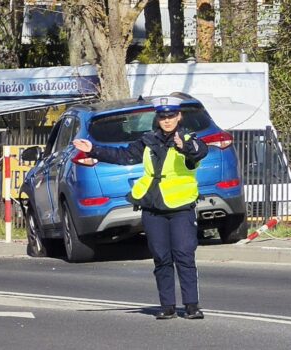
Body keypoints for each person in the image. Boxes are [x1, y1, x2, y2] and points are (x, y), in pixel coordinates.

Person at [72, 95, 209, 320]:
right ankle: (167, 306)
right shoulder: (148, 140)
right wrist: (93, 149)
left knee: (184, 255)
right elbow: (124, 155)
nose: (167, 120)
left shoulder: (188, 138)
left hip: (181, 206)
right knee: (161, 257)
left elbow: (198, 152)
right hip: (152, 205)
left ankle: (192, 305)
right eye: (163, 116)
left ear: (179, 116)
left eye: (171, 116)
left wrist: (184, 146)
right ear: (158, 118)